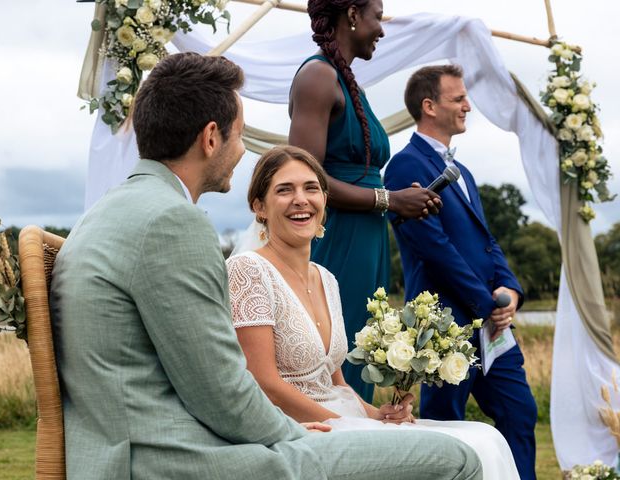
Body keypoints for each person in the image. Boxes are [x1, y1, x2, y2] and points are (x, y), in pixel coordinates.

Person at [50, 53, 481, 480]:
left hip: (124, 446)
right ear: (211, 137)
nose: (241, 152)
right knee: (457, 457)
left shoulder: (108, 210)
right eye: (240, 136)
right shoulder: (171, 221)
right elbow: (220, 392)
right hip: (168, 457)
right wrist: (293, 431)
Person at [227, 145, 520, 480]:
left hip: (341, 417)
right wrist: (346, 424)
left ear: (324, 201)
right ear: (259, 207)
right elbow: (263, 381)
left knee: (486, 438)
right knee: (462, 450)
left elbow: (335, 381)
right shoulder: (248, 270)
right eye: (284, 190)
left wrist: (378, 415)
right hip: (300, 428)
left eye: (311, 188)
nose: (301, 199)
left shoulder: (326, 278)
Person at [384, 65, 538, 479]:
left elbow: (486, 242)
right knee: (446, 427)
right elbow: (434, 248)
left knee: (521, 414)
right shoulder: (403, 167)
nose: (468, 105)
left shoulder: (464, 171)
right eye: (459, 99)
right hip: (445, 323)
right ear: (429, 106)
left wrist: (510, 288)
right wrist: (486, 303)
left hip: (492, 325)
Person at [288, 0, 441, 402]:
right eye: (378, 17)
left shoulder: (347, 81)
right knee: (336, 353)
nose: (382, 29)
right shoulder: (317, 78)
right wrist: (389, 199)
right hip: (336, 237)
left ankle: (354, 443)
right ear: (353, 15)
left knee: (361, 348)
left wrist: (404, 200)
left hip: (368, 238)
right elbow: (304, 177)